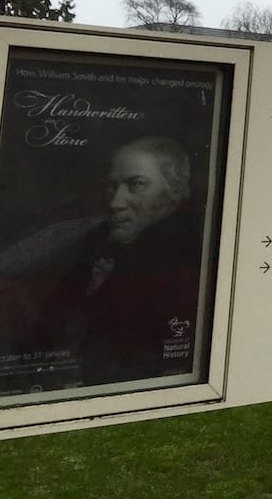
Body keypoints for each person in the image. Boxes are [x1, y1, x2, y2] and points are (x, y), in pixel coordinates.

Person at [49, 135, 204, 387]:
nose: (115, 202)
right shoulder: (99, 240)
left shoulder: (187, 254)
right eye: (112, 186)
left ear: (173, 191)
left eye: (137, 185)